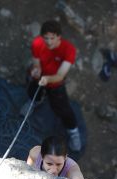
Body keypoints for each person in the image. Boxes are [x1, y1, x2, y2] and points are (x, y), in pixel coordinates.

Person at [22, 19, 81, 151]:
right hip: (40, 78)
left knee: (63, 109)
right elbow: (36, 63)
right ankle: (34, 102)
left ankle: (73, 131)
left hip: (55, 84)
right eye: (46, 38)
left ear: (59, 37)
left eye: (52, 38)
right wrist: (36, 71)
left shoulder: (68, 50)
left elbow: (60, 75)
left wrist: (47, 79)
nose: (48, 42)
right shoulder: (37, 43)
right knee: (32, 91)